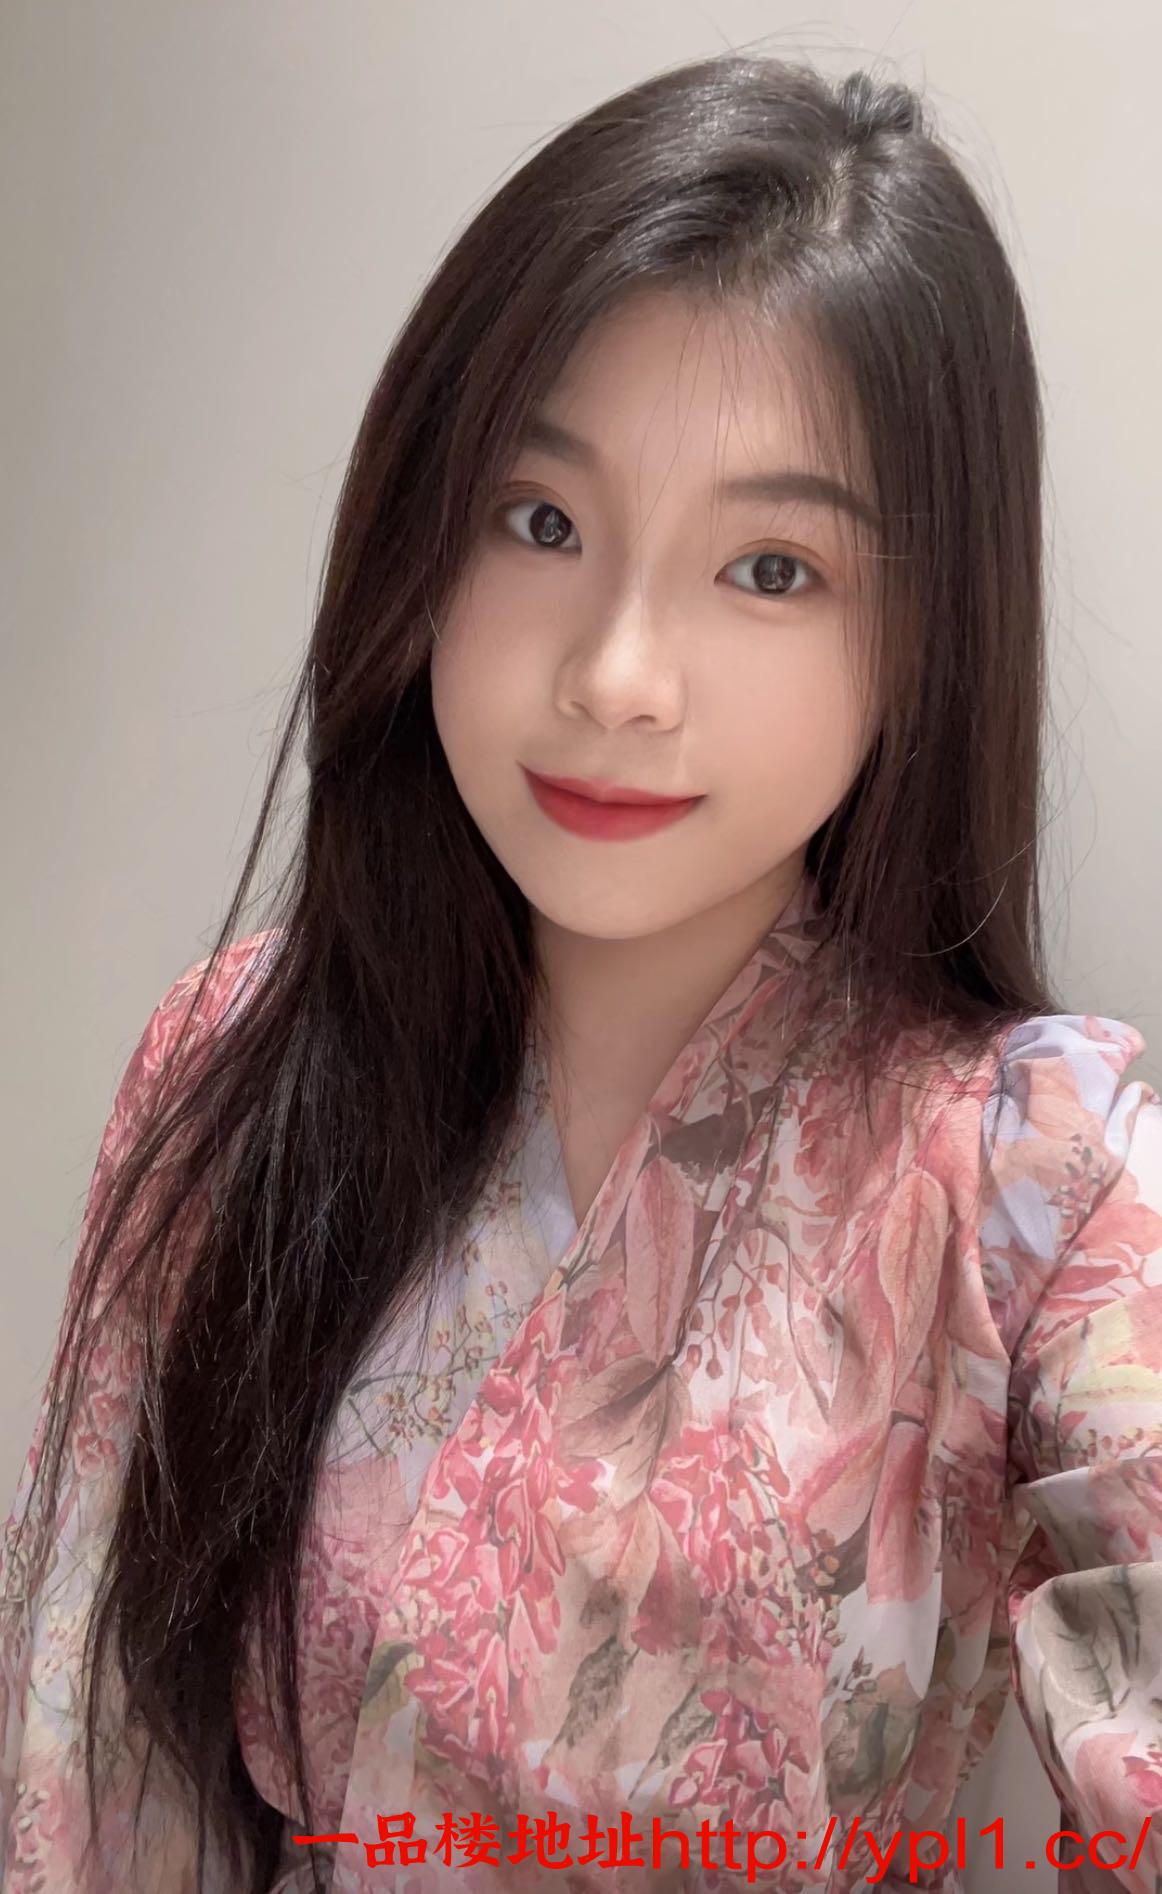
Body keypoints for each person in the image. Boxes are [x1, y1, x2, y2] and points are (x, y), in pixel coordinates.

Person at [1, 48, 1159, 1894]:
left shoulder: (1036, 1179)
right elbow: (89, 1781)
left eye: (769, 567)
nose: (617, 673)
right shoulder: (235, 1071)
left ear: (925, 633)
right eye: (539, 521)